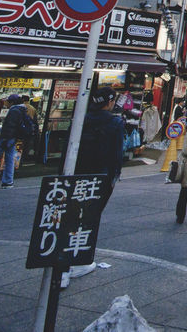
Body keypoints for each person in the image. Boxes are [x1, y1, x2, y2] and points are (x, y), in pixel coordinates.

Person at [63, 87, 125, 287]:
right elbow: (116, 154)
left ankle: (62, 267)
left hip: (75, 175)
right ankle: (80, 261)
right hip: (101, 176)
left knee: (69, 217)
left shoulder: (80, 118)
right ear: (109, 102)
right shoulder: (114, 122)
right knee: (90, 217)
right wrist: (115, 177)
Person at [0, 94, 33, 188]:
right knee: (9, 159)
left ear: (12, 102)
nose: (6, 103)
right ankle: (8, 181)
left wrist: (5, 138)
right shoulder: (21, 110)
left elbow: (10, 126)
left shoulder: (14, 111)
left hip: (8, 138)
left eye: (7, 101)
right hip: (13, 138)